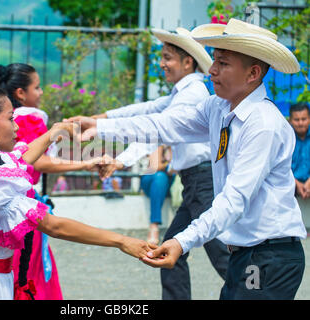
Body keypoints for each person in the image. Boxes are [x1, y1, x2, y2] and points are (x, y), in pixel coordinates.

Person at [70, 19, 307, 300]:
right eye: (215, 60)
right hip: (248, 252)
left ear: (253, 73)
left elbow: (234, 201)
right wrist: (101, 127)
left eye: (223, 63)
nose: (212, 70)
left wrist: (181, 242)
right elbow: (164, 125)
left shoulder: (263, 125)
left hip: (269, 255)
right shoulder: (218, 107)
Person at [0, 81, 153, 300]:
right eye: (10, 119)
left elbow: (23, 158)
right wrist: (121, 240)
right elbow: (53, 226)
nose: (17, 127)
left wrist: (54, 132)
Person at [69, 27, 230, 300]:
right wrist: (101, 117)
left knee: (223, 257)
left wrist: (106, 135)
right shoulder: (182, 93)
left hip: (204, 183)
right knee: (170, 251)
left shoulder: (191, 94)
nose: (162, 63)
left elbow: (158, 128)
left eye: (168, 57)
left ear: (187, 61)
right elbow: (148, 110)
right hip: (195, 183)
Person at [0, 63, 104, 300]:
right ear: (21, 93)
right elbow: (37, 163)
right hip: (22, 203)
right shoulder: (29, 118)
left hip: (11, 201)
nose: (41, 93)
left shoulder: (5, 120)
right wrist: (85, 164)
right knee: (29, 270)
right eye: (37, 88)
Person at [140, 146, 175, 245]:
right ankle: (154, 225)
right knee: (160, 177)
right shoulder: (158, 144)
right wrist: (169, 163)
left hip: (169, 183)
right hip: (151, 179)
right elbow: (155, 167)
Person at [289, 103, 310, 199]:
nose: (300, 123)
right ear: (290, 121)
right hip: (289, 187)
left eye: (304, 119)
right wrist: (296, 183)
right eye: (297, 120)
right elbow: (278, 164)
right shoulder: (285, 138)